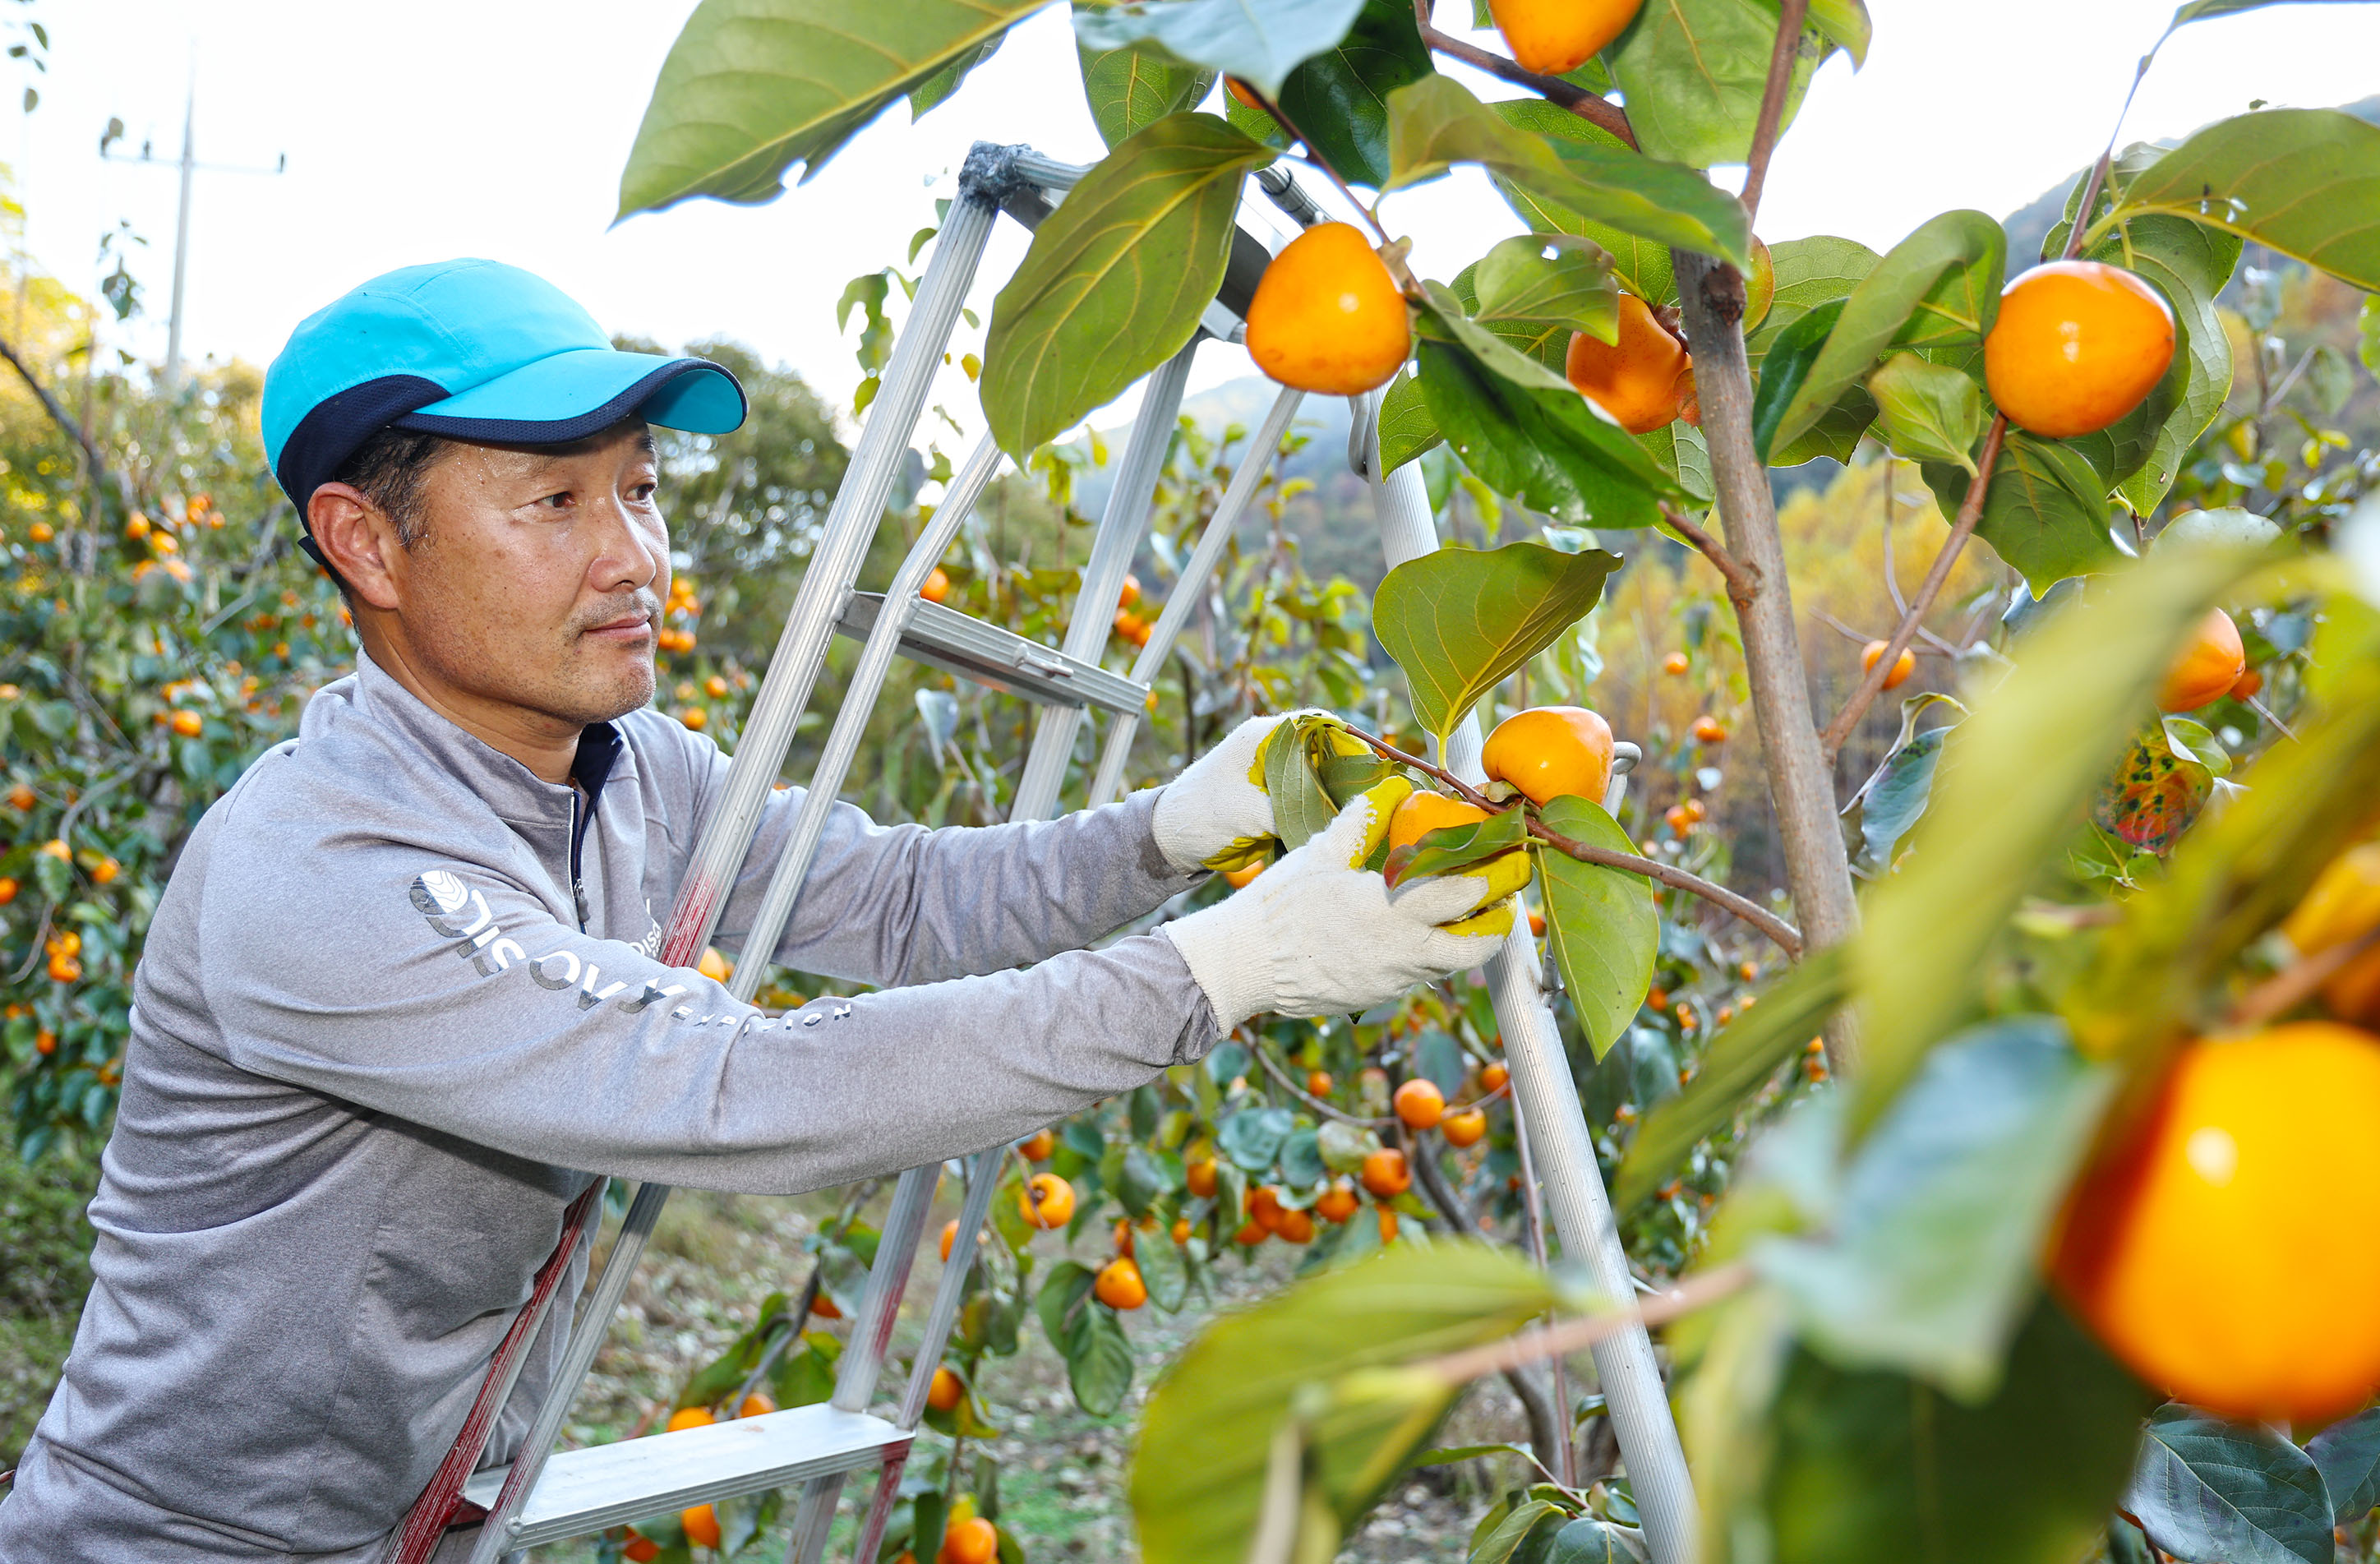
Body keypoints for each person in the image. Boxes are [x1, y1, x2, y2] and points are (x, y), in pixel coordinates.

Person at [0, 261, 1506, 1562]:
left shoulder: (630, 767)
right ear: (368, 543)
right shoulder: (327, 876)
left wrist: (1174, 827)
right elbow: (744, 1086)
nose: (636, 559)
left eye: (642, 490)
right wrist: (1218, 971)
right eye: (554, 501)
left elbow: (905, 899)